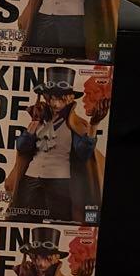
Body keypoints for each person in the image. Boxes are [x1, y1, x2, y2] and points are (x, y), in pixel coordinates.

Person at [6, 66, 106, 223]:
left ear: (69, 99)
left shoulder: (75, 124)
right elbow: (22, 147)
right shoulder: (40, 119)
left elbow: (83, 152)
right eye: (52, 98)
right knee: (21, 216)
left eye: (60, 99)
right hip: (32, 177)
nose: (55, 103)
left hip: (59, 180)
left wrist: (94, 126)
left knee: (59, 219)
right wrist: (34, 122)